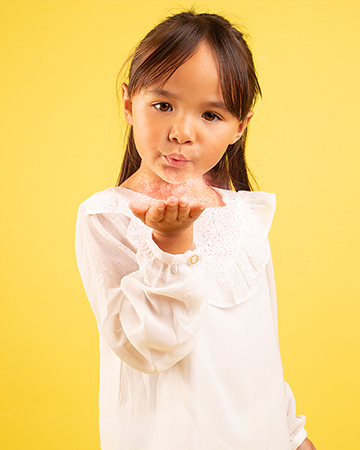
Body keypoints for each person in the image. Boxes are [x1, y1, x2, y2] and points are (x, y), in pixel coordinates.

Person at [74, 11, 315, 450]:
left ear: (239, 127)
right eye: (163, 105)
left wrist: (291, 433)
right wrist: (171, 246)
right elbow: (150, 349)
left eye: (211, 114)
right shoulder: (109, 217)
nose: (182, 132)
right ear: (129, 104)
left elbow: (259, 346)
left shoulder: (242, 213)